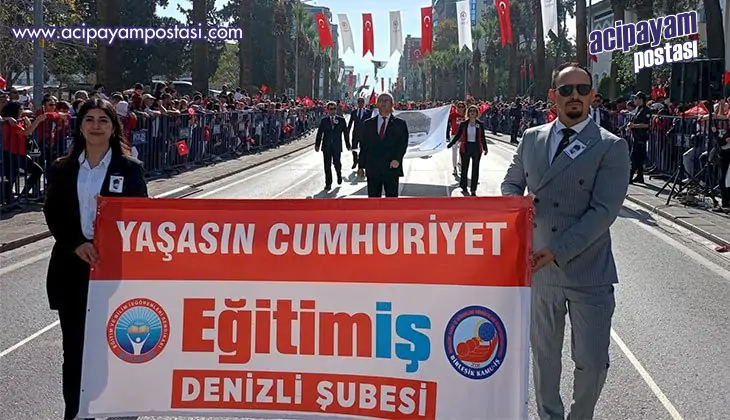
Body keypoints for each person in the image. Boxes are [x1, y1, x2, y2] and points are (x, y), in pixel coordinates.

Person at [500, 62, 630, 420]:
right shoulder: (532, 138)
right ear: (552, 96)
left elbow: (603, 212)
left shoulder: (611, 147)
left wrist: (556, 251)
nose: (575, 96)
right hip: (540, 272)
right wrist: (518, 214)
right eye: (566, 89)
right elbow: (511, 184)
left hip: (589, 270)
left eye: (582, 89)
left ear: (592, 96)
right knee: (544, 359)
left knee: (593, 361)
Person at [43, 98, 148, 420]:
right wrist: (76, 243)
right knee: (75, 350)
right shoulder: (62, 168)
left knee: (114, 348)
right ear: (80, 127)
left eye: (103, 120)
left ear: (113, 127)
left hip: (112, 271)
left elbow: (139, 217)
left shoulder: (130, 169)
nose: (96, 126)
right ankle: (76, 412)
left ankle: (119, 409)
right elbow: (53, 213)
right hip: (71, 269)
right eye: (89, 119)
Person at [357, 93, 408, 197]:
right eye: (380, 100)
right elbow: (364, 146)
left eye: (386, 101)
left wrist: (397, 159)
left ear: (392, 104)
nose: (383, 103)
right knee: (373, 200)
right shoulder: (368, 124)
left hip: (391, 168)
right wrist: (361, 166)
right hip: (373, 168)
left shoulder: (400, 124)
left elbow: (402, 145)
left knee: (391, 200)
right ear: (376, 104)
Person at [447, 105, 488, 196]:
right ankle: (464, 186)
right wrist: (451, 143)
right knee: (464, 168)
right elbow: (458, 135)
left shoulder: (480, 124)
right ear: (468, 113)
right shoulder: (464, 124)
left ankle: (473, 189)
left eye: (474, 111)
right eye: (470, 111)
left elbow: (482, 137)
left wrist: (485, 148)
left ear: (477, 113)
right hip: (466, 147)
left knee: (475, 168)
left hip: (476, 148)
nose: (472, 112)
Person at [315, 101, 351, 190]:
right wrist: (317, 145)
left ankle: (339, 174)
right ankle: (328, 183)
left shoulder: (341, 120)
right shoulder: (324, 120)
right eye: (331, 109)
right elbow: (320, 133)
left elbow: (345, 133)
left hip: (336, 146)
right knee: (327, 165)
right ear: (328, 110)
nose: (333, 111)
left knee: (337, 163)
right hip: (326, 146)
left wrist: (348, 145)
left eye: (334, 109)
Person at [627, 91, 651, 183]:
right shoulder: (639, 109)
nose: (634, 100)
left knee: (634, 157)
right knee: (639, 158)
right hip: (636, 136)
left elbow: (646, 124)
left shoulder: (646, 110)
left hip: (641, 137)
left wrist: (634, 126)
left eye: (636, 98)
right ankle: (640, 176)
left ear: (641, 99)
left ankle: (629, 177)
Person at [347, 97, 372, 169]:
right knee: (354, 148)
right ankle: (355, 161)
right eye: (359, 102)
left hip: (364, 135)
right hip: (355, 134)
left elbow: (371, 124)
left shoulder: (368, 112)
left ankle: (361, 163)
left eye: (362, 102)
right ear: (357, 103)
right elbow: (350, 123)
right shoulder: (354, 112)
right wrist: (347, 133)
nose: (360, 104)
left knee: (363, 149)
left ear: (364, 103)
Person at [447, 101, 466, 176]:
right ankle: (454, 167)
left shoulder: (466, 115)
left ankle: (460, 163)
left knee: (462, 152)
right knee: (454, 152)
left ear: (464, 108)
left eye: (462, 107)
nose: (460, 108)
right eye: (459, 106)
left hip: (463, 136)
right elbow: (445, 118)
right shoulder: (453, 114)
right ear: (456, 107)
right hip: (454, 135)